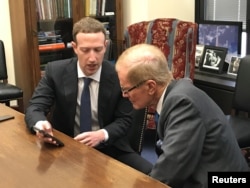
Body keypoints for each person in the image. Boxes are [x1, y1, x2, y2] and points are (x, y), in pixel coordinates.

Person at [25, 17, 152, 174]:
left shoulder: (119, 75)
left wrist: (102, 135)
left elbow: (125, 119)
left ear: (105, 46)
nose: (92, 58)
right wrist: (40, 124)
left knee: (152, 175)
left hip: (110, 147)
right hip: (66, 147)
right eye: (85, 50)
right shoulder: (55, 71)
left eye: (98, 50)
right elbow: (35, 107)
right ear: (75, 47)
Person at [115, 43, 249, 188]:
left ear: (151, 86)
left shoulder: (183, 104)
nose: (124, 95)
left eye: (126, 89)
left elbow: (168, 173)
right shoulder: (175, 93)